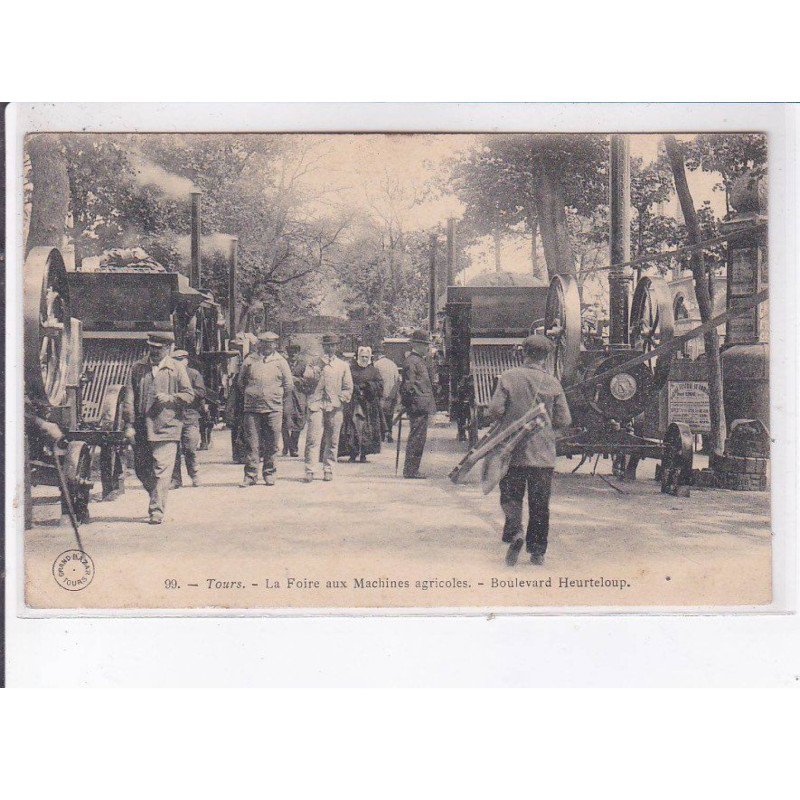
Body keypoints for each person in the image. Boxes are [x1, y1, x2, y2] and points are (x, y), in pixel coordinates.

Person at [487, 334, 572, 566]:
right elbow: (564, 419)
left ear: (524, 352)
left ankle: (515, 533)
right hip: (543, 454)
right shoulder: (553, 383)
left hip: (512, 450)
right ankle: (537, 551)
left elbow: (494, 411)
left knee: (511, 496)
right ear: (546, 357)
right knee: (540, 504)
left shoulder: (509, 377)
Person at [122, 332, 195, 524]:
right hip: (142, 428)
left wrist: (171, 398)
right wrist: (128, 424)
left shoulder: (177, 368)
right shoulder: (137, 368)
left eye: (158, 348)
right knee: (142, 470)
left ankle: (156, 510)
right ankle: (155, 494)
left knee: (162, 471)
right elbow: (129, 398)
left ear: (168, 349)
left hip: (167, 427)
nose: (154, 351)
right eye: (151, 347)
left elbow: (189, 394)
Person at [238, 331, 294, 487]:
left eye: (271, 343)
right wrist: (252, 394)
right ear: (259, 344)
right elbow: (240, 382)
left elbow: (288, 385)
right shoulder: (249, 361)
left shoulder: (281, 362)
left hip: (273, 408)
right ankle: (250, 475)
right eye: (264, 343)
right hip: (252, 408)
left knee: (272, 443)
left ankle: (269, 473)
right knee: (252, 443)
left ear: (275, 345)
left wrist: (275, 398)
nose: (267, 346)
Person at [302, 333, 353, 482]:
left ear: (336, 347)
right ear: (323, 347)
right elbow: (306, 379)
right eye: (327, 345)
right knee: (313, 438)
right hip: (316, 404)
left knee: (333, 439)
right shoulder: (314, 362)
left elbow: (348, 387)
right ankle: (310, 470)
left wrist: (340, 399)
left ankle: (328, 468)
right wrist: (317, 368)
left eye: (332, 345)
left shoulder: (343, 365)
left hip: (334, 406)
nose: (330, 348)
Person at [399, 330, 436, 479]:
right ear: (415, 345)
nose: (426, 347)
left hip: (421, 405)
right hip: (417, 406)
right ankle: (411, 470)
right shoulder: (412, 361)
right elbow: (408, 386)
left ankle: (413, 469)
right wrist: (409, 404)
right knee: (417, 438)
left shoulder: (419, 360)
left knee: (419, 438)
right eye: (423, 344)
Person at [340, 346, 383, 462]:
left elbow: (380, 385)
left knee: (366, 429)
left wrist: (369, 386)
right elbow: (345, 382)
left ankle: (364, 453)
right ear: (358, 356)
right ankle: (352, 453)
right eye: (362, 356)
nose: (364, 359)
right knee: (352, 428)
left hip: (368, 404)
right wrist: (355, 388)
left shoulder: (374, 371)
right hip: (353, 403)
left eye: (366, 357)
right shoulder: (351, 369)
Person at [170, 350, 206, 489]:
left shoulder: (193, 374)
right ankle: (175, 479)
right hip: (173, 417)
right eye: (176, 360)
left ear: (186, 361)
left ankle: (194, 475)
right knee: (174, 450)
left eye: (181, 359)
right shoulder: (169, 375)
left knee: (190, 448)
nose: (179, 362)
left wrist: (184, 394)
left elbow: (202, 392)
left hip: (190, 416)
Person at [282, 344, 308, 458]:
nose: (292, 355)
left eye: (295, 353)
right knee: (284, 418)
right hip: (286, 395)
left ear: (298, 353)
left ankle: (293, 446)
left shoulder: (303, 364)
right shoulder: (283, 363)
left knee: (299, 419)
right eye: (290, 353)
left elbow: (309, 380)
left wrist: (298, 379)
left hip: (299, 394)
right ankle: (287, 445)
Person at [372, 345, 400, 443]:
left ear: (376, 355)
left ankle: (383, 435)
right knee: (390, 415)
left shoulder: (376, 365)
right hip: (392, 394)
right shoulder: (393, 364)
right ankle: (389, 434)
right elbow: (398, 380)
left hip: (381, 394)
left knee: (381, 415)